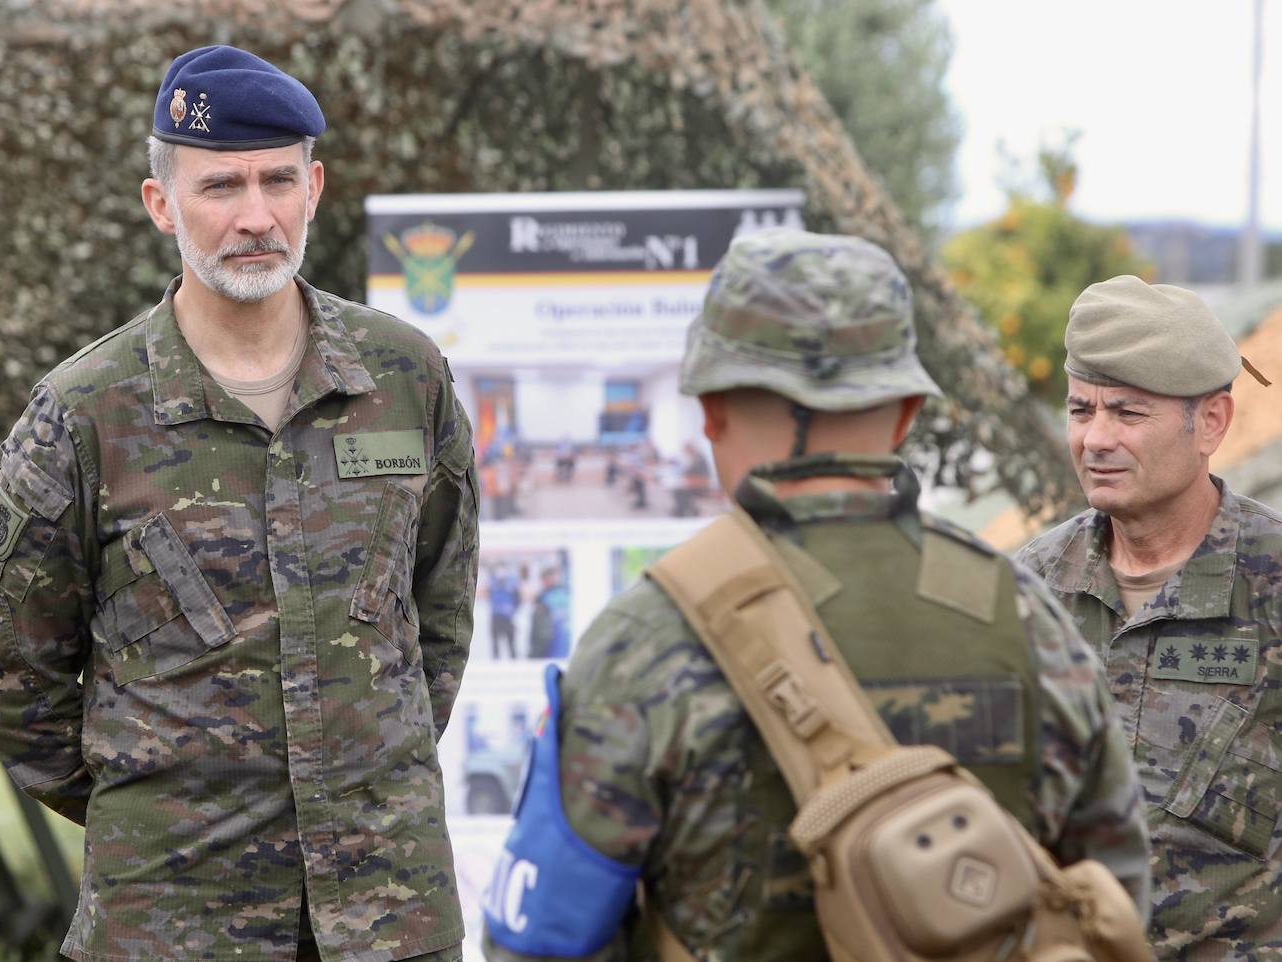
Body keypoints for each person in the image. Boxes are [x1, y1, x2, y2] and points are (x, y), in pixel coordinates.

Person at [482, 230, 1150, 960]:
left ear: (712, 410)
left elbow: (541, 939)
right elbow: (1109, 895)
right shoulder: (1026, 617)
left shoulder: (646, 634)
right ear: (903, 411)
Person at [0, 44, 477, 962]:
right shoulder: (84, 414)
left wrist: (359, 771)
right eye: (220, 187)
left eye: (278, 180)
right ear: (162, 203)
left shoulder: (406, 378)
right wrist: (156, 807)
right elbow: (16, 686)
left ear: (314, 188)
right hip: (172, 923)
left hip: (388, 916)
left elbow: (438, 617)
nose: (256, 217)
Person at [1014, 275, 1277, 960]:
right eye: (1080, 411)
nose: (1095, 439)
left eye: (1128, 415)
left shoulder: (1272, 585)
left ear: (1211, 424)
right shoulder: (1025, 590)